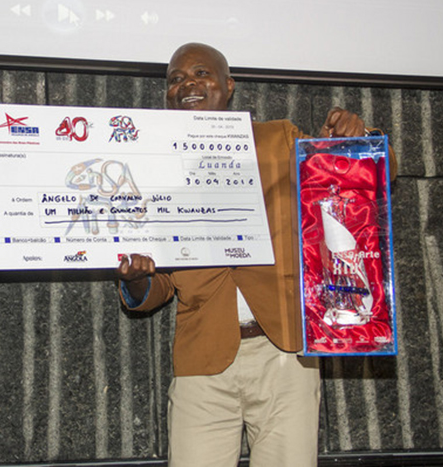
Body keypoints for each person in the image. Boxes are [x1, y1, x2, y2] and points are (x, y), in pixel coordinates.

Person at [116, 42, 396, 467]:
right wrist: (137, 279)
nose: (187, 84)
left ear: (228, 86)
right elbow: (162, 285)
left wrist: (358, 140)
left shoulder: (279, 139)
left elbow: (372, 175)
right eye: (175, 79)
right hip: (202, 357)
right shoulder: (153, 167)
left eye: (201, 73)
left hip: (284, 351)